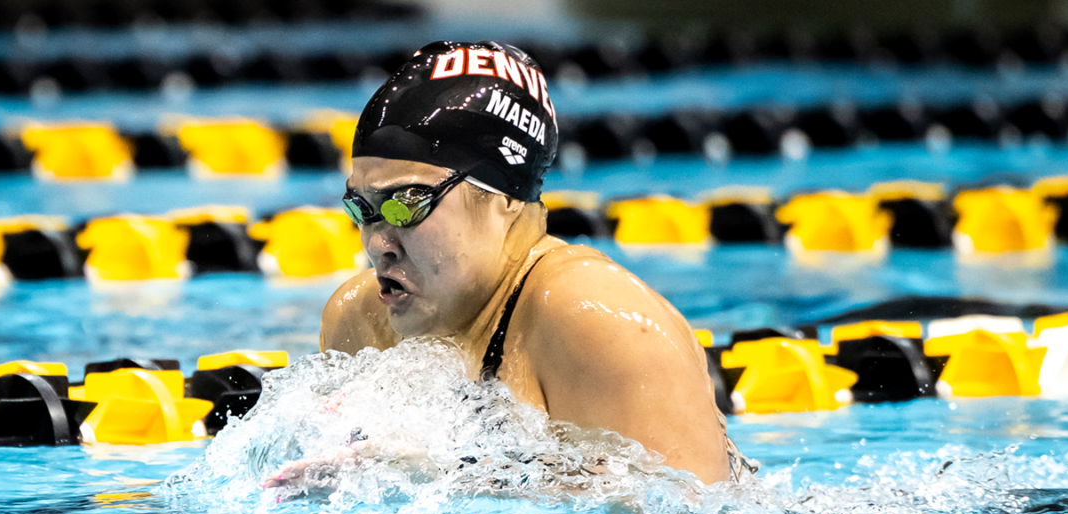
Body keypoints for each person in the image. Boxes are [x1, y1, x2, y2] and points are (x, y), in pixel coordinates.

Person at [312, 40, 747, 486]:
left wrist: (446, 473)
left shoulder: (597, 318)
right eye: (362, 208)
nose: (378, 242)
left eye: (407, 203)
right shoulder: (360, 320)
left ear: (504, 198)